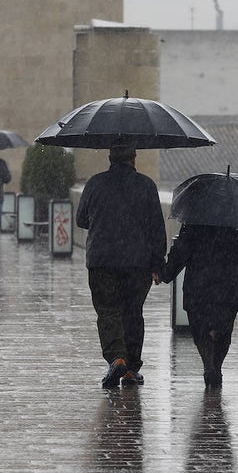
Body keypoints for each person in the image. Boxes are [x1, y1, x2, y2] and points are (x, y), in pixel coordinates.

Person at [75, 144, 166, 388]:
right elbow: (157, 228)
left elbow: (81, 219)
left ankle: (117, 357)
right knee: (133, 312)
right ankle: (131, 369)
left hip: (102, 261)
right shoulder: (146, 185)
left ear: (110, 158)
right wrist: (158, 262)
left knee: (108, 311)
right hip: (137, 262)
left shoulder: (95, 183)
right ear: (134, 159)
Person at [160, 224, 238, 388]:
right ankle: (217, 367)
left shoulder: (192, 222)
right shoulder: (232, 223)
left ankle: (208, 365)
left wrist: (164, 274)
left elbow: (180, 254)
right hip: (228, 288)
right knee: (224, 330)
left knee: (200, 330)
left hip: (198, 288)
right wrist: (228, 267)